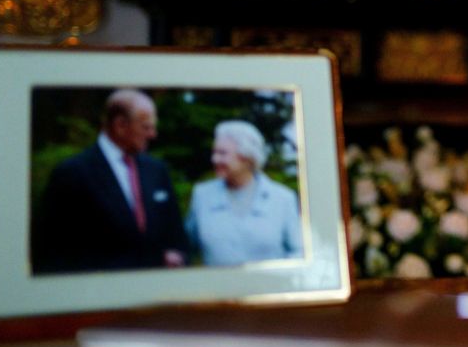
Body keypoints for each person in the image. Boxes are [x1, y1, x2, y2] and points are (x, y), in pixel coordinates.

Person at [33, 89, 189, 273]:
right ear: (120, 125)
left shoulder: (156, 170)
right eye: (146, 127)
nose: (153, 134)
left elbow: (177, 234)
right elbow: (52, 251)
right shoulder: (72, 173)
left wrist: (177, 256)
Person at [185, 120, 303, 266]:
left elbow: (298, 252)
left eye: (222, 153)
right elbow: (185, 248)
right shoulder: (202, 195)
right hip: (216, 288)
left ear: (247, 158)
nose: (214, 159)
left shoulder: (283, 198)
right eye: (214, 152)